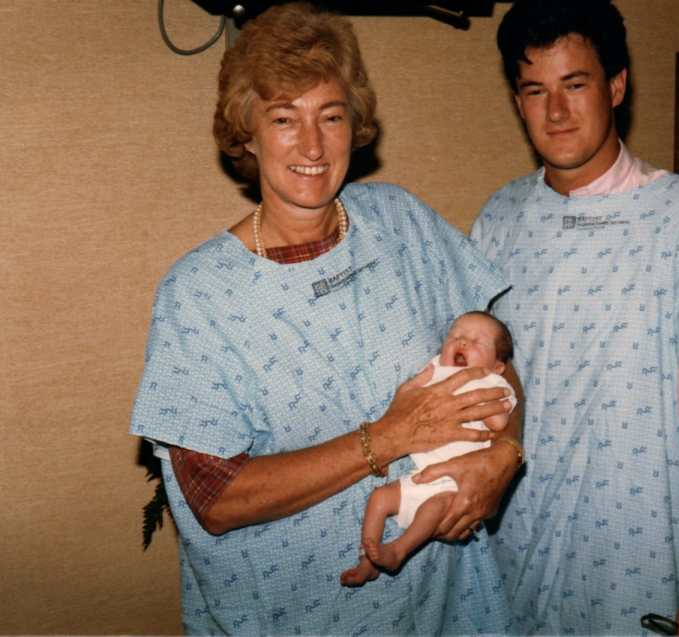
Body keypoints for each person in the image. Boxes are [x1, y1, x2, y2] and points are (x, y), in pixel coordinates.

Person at [130, 3, 523, 634]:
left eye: (331, 116)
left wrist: (504, 454)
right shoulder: (198, 297)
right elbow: (216, 500)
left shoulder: (403, 224)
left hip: (445, 607)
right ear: (246, 132)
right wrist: (388, 437)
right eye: (285, 118)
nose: (312, 146)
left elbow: (496, 357)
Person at [470, 1, 679, 635]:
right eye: (536, 91)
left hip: (645, 548)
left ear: (616, 86)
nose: (556, 112)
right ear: (517, 101)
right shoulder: (499, 220)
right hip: (524, 546)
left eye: (575, 85)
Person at [341, 311, 519, 587]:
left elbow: (499, 422)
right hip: (424, 473)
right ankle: (367, 560)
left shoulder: (492, 382)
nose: (462, 342)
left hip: (456, 481)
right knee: (379, 498)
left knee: (433, 508)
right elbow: (406, 405)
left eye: (476, 342)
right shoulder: (435, 368)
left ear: (497, 366)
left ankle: (398, 550)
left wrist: (477, 389)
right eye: (455, 336)